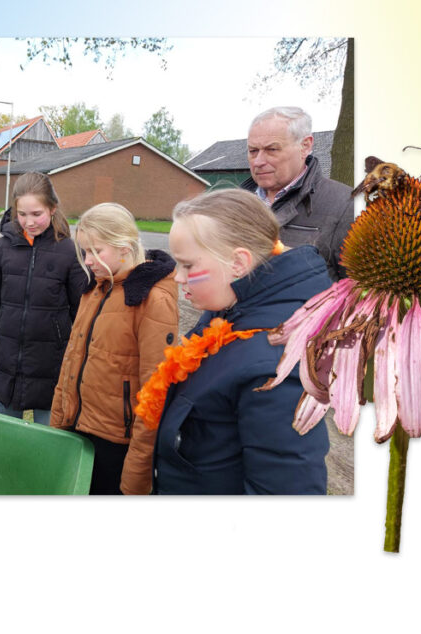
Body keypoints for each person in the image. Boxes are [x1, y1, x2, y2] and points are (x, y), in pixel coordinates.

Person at [148, 189, 330, 494]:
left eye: (188, 265)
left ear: (238, 264)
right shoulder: (228, 307)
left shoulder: (274, 367)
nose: (178, 277)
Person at [50, 203, 178, 495]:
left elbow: (155, 393)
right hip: (77, 431)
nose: (89, 261)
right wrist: (57, 426)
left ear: (124, 247)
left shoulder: (153, 301)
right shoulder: (94, 289)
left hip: (115, 445)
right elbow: (70, 364)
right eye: (84, 252)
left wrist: (137, 476)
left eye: (97, 251)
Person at [0, 172, 87, 425]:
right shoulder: (3, 248)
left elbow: (82, 316)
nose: (29, 222)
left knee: (48, 442)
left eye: (36, 214)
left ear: (52, 209)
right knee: (7, 440)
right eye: (22, 214)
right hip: (7, 364)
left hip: (52, 367)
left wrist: (81, 366)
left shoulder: (70, 251)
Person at [241, 106, 354, 281]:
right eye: (253, 151)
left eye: (272, 150)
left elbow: (355, 292)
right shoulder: (235, 204)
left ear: (305, 146)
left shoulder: (346, 206)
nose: (258, 161)